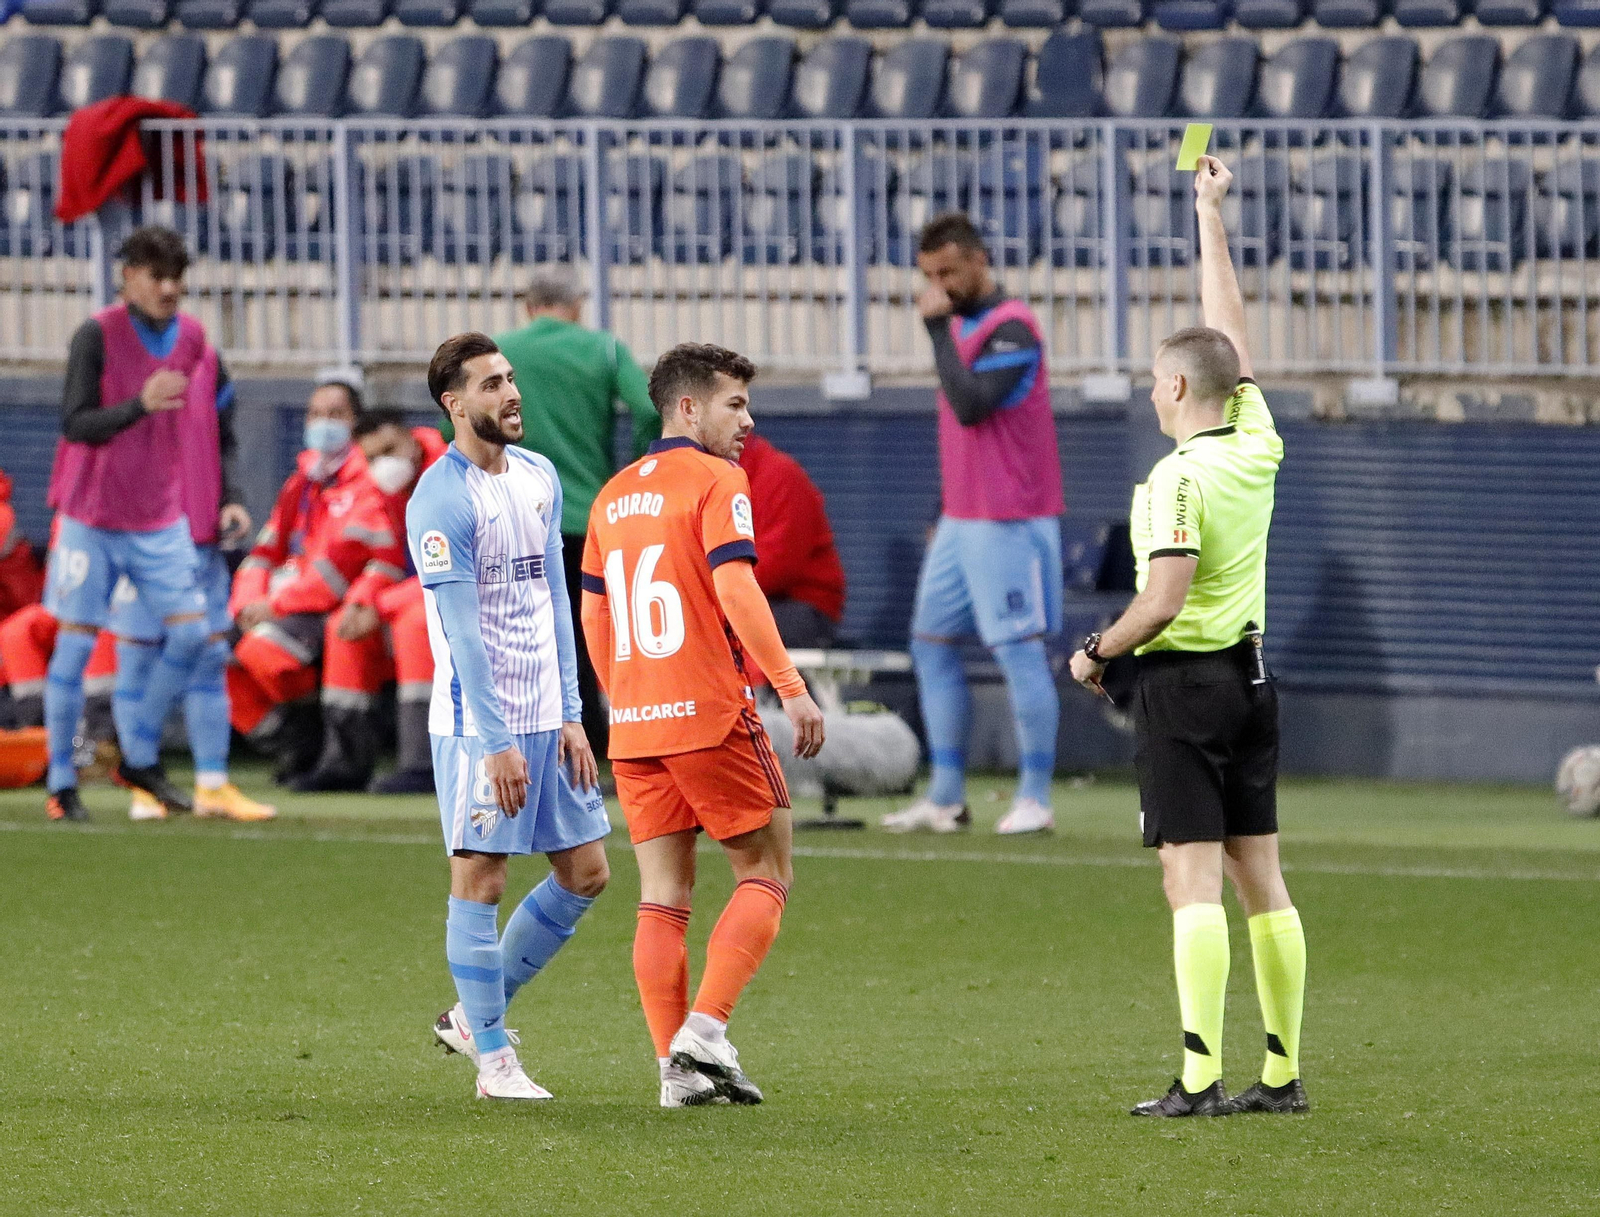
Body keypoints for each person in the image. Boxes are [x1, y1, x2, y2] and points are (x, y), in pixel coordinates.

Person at [1068, 156, 1306, 1119]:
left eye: (1155, 380)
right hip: (1253, 679)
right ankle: (1281, 1075)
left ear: (1171, 385)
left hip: (1185, 688)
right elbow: (1233, 345)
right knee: (1264, 878)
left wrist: (1098, 649)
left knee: (1190, 879)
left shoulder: (1175, 479)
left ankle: (1200, 1076)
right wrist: (1210, 214)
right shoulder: (1256, 443)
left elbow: (1161, 599)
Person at [580, 343, 825, 1108]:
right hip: (709, 709)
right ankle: (706, 1030)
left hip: (638, 721)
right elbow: (736, 585)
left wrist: (625, 693)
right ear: (688, 408)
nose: (747, 420)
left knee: (663, 894)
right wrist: (790, 685)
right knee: (767, 870)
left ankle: (674, 1071)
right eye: (735, 404)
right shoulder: (720, 479)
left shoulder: (611, 494)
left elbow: (593, 609)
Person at [409, 332, 610, 1102]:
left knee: (588, 872)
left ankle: (471, 1016)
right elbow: (461, 635)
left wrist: (569, 712)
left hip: (545, 714)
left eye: (511, 378)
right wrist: (494, 743)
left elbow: (552, 599)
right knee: (481, 878)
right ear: (454, 404)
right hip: (475, 726)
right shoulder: (440, 499)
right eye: (492, 384)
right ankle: (495, 1061)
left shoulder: (540, 475)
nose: (511, 392)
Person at [881, 213, 1065, 837]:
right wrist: (943, 509)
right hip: (963, 520)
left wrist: (934, 332)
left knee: (1018, 651)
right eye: (929, 275)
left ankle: (1035, 796)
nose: (940, 285)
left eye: (949, 272)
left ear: (980, 261)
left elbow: (970, 406)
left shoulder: (1012, 328)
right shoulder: (964, 327)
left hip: (1011, 518)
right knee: (929, 644)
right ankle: (946, 796)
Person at [42, 226, 224, 822]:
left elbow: (209, 424)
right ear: (128, 277)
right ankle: (61, 782)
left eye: (178, 277)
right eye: (157, 276)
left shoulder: (194, 338)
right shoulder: (96, 334)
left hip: (158, 516)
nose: (170, 288)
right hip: (91, 517)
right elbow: (75, 424)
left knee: (193, 635)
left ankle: (137, 751)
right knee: (73, 651)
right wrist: (139, 405)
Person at [488, 271, 661, 757]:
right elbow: (649, 409)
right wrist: (627, 470)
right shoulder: (603, 350)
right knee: (592, 635)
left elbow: (451, 425)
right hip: (587, 517)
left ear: (527, 307)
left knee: (524, 635)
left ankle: (536, 744)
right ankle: (606, 742)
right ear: (578, 306)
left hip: (515, 519)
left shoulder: (497, 352)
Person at [227, 377, 406, 789]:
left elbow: (338, 569)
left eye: (335, 414)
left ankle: (310, 743)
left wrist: (276, 606)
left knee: (263, 649)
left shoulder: (367, 483)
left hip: (332, 605)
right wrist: (246, 602)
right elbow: (264, 550)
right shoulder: (302, 481)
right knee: (209, 654)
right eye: (315, 414)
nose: (323, 422)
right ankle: (295, 742)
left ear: (355, 424)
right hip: (285, 604)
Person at [327, 408, 449, 794]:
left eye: (390, 450)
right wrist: (362, 602)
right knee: (341, 625)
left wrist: (379, 608)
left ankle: (423, 763)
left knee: (414, 622)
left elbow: (446, 567)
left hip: (469, 593)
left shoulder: (449, 474)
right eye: (373, 457)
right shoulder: (389, 489)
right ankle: (345, 762)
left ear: (410, 437)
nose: (384, 464)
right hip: (411, 592)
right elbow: (388, 558)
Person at [738, 433, 846, 649]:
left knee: (715, 627)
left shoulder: (779, 474)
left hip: (801, 608)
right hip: (748, 599)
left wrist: (712, 591)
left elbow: (778, 565)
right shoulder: (706, 480)